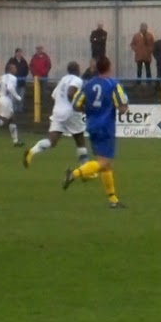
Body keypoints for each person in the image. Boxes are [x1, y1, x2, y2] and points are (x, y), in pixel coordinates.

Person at [64, 56, 127, 208]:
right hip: (106, 127)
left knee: (106, 165)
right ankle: (74, 174)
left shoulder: (88, 85)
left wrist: (88, 110)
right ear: (109, 67)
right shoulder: (113, 84)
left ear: (97, 68)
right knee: (104, 162)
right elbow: (122, 107)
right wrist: (122, 107)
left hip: (92, 126)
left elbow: (75, 105)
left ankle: (113, 200)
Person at [25, 61, 89, 169]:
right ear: (77, 70)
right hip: (71, 112)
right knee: (80, 140)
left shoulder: (63, 80)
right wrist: (81, 107)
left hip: (58, 111)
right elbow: (70, 93)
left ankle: (32, 151)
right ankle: (86, 170)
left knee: (51, 140)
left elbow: (53, 96)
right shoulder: (77, 80)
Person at [0, 67, 23, 145]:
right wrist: (18, 97)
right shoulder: (13, 78)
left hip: (1, 99)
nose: (16, 70)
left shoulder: (2, 77)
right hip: (6, 101)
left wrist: (0, 94)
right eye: (14, 68)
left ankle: (16, 141)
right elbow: (10, 87)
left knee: (12, 120)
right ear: (10, 70)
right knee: (3, 122)